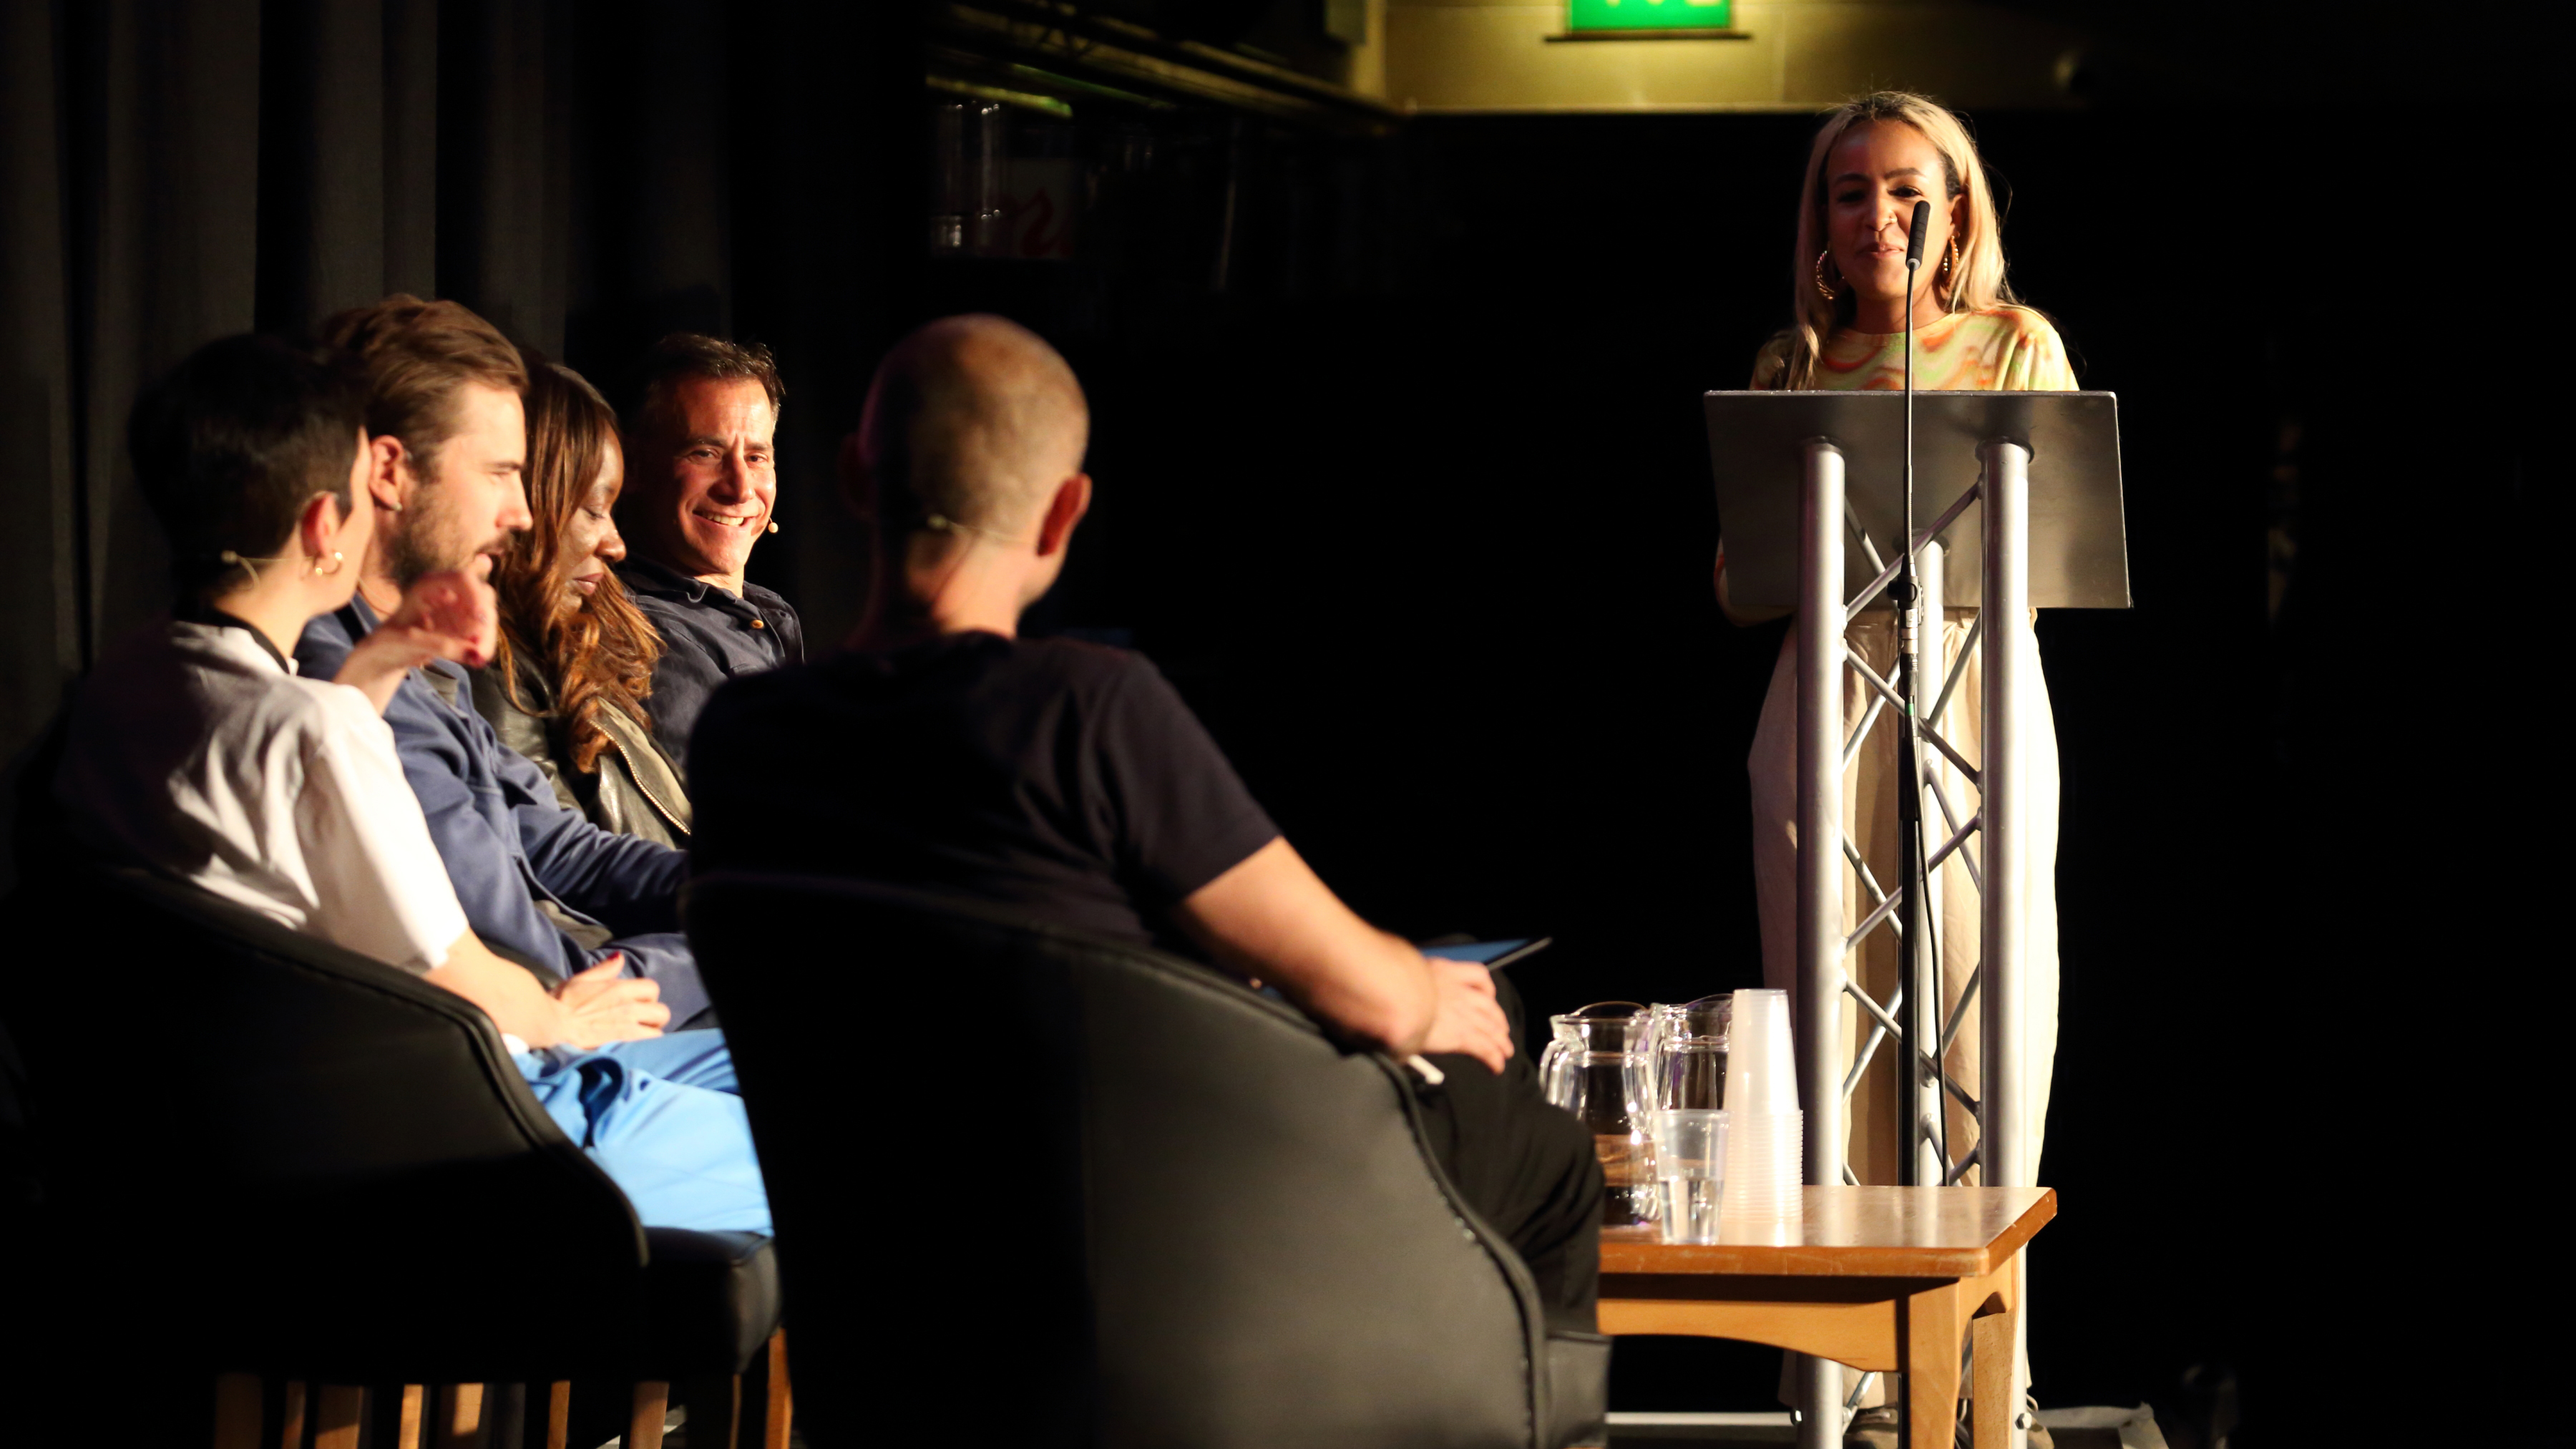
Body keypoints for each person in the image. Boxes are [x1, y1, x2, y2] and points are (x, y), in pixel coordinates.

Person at [691, 315, 1602, 1334]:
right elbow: (1365, 993)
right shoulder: (1087, 706)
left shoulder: (743, 735)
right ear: (1063, 513)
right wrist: (1429, 992)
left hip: (883, 1297)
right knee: (1547, 1150)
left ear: (856, 476)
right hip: (1132, 1260)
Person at [56, 333, 766, 1234]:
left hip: (283, 1134)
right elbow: (459, 970)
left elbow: (292, 792)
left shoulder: (133, 676)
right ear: (327, 522)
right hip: (489, 1127)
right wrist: (563, 1018)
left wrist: (387, 660)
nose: (516, 514)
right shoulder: (319, 726)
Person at [1722, 92, 2066, 1438]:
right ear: (1821, 220)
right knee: (1830, 1001)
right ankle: (1848, 1367)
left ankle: (1986, 1371)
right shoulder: (1792, 362)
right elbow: (1744, 582)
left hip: (1975, 676)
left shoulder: (2012, 345)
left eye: (1909, 190)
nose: (1882, 217)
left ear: (1959, 206)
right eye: (1853, 193)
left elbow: (2045, 568)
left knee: (1993, 1002)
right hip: (1828, 683)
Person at [293, 296, 713, 1027]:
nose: (523, 512)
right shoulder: (348, 689)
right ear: (390, 471)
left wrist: (752, 887)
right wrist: (753, 936)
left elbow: (558, 850)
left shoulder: (423, 665)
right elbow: (542, 983)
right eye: (499, 472)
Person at [474, 356, 691, 845]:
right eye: (594, 510)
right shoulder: (488, 664)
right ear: (529, 504)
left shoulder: (585, 643)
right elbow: (562, 865)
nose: (616, 544)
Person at [611, 333, 801, 775]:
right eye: (705, 452)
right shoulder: (649, 637)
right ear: (633, 466)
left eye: (756, 457)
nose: (739, 488)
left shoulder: (766, 612)